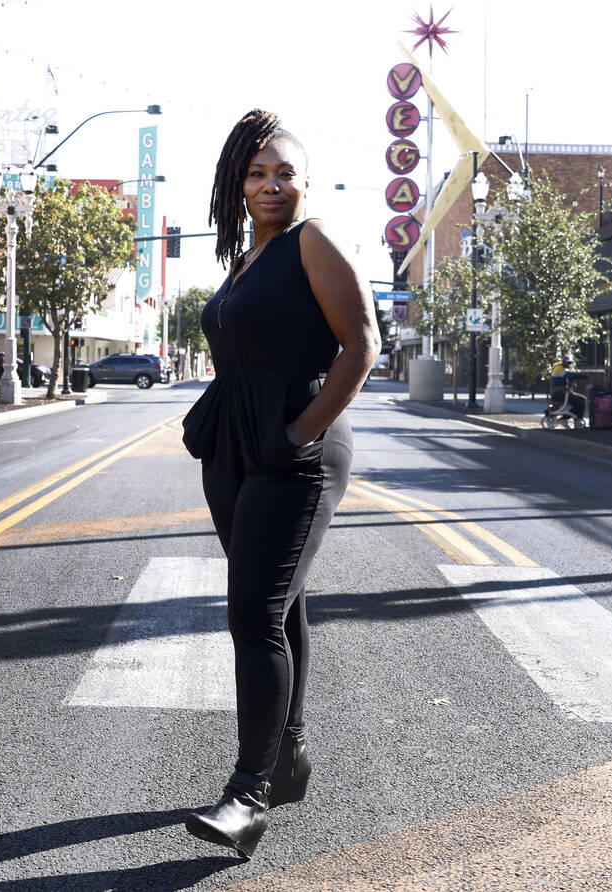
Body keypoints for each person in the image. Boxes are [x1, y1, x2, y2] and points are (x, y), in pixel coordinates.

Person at [180, 109, 381, 858]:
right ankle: (289, 755)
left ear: (305, 182)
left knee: (252, 612)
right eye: (258, 173)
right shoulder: (245, 261)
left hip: (294, 447)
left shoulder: (313, 242)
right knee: (280, 598)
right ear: (238, 184)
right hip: (234, 444)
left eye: (284, 173)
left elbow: (362, 345)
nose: (271, 184)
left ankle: (248, 795)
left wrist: (301, 432)